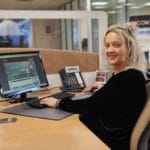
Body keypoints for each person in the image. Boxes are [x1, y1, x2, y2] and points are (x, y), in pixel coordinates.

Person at [40, 22, 147, 150]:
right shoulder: (133, 75)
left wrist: (58, 102)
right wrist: (106, 88)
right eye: (107, 45)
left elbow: (88, 105)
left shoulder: (128, 78)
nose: (110, 50)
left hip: (112, 141)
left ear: (130, 48)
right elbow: (118, 96)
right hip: (116, 134)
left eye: (117, 45)